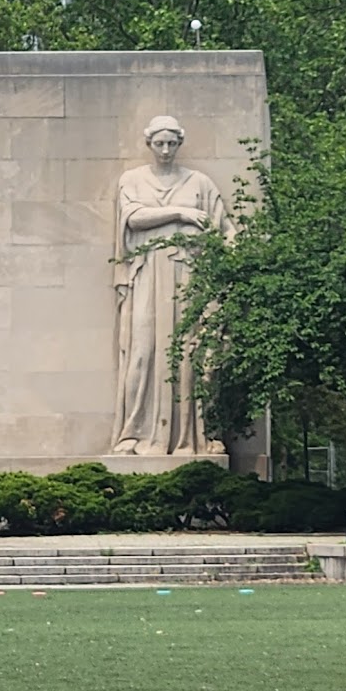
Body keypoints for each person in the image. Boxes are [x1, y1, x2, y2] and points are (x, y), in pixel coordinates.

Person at [112, 115, 231, 456]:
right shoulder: (132, 179)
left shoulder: (200, 183)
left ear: (180, 144)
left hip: (191, 278)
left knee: (195, 354)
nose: (165, 150)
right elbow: (133, 217)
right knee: (142, 353)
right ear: (149, 144)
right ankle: (133, 432)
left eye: (171, 143)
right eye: (159, 143)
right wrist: (179, 213)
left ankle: (198, 435)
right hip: (148, 276)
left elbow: (224, 230)